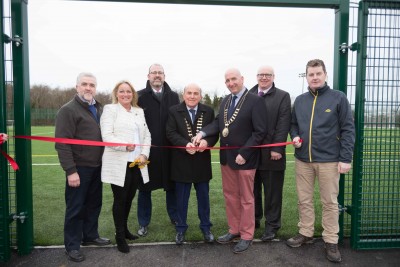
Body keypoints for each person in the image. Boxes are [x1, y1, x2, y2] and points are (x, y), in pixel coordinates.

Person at [287, 59, 355, 263]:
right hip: (302, 160)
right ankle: (306, 232)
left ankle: (331, 240)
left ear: (325, 75)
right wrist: (295, 136)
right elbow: (293, 125)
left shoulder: (338, 98)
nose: (314, 77)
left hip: (329, 161)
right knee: (304, 200)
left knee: (329, 202)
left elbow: (348, 129)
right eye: (311, 74)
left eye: (318, 73)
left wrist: (345, 158)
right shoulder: (299, 100)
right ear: (306, 76)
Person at [193, 68, 267, 254]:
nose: (231, 83)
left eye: (234, 79)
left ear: (242, 79)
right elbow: (219, 124)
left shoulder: (255, 100)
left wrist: (245, 152)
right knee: (230, 196)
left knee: (246, 199)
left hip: (245, 159)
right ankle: (234, 230)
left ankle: (247, 235)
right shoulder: (226, 100)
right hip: (227, 158)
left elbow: (260, 132)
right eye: (227, 80)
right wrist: (202, 133)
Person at [55, 72, 111, 263]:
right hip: (79, 168)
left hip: (97, 167)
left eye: (92, 85)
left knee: (94, 204)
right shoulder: (68, 110)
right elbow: (62, 143)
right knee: (76, 208)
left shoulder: (99, 108)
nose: (88, 88)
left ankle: (90, 235)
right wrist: (71, 171)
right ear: (77, 87)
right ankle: (72, 246)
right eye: (84, 84)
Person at [100, 81, 151, 253]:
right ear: (116, 93)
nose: (125, 94)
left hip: (137, 163)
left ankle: (126, 230)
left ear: (133, 94)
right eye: (121, 91)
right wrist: (124, 145)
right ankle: (119, 236)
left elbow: (147, 135)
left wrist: (144, 154)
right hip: (118, 163)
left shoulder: (139, 111)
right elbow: (107, 136)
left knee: (129, 198)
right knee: (120, 200)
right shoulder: (110, 110)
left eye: (128, 91)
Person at [166, 83, 218, 245]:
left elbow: (214, 133)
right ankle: (181, 229)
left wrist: (206, 142)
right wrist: (184, 145)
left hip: (202, 163)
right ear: (183, 94)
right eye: (189, 93)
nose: (192, 96)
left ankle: (206, 228)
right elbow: (170, 133)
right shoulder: (174, 111)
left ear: (200, 96)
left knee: (203, 199)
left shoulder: (208, 111)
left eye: (196, 93)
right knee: (181, 200)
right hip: (181, 163)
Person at [249, 66, 291, 241]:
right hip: (251, 153)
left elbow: (284, 123)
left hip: (272, 153)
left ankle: (272, 225)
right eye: (261, 74)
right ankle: (254, 219)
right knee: (252, 190)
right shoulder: (248, 94)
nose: (264, 77)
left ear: (273, 77)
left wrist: (277, 148)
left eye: (267, 75)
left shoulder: (282, 96)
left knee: (272, 192)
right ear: (256, 76)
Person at [136, 63, 179, 236]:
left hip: (169, 152)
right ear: (148, 76)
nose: (157, 75)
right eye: (154, 73)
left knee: (171, 187)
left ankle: (175, 217)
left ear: (164, 76)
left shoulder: (174, 96)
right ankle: (143, 222)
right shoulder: (139, 96)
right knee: (144, 187)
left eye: (160, 73)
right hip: (147, 152)